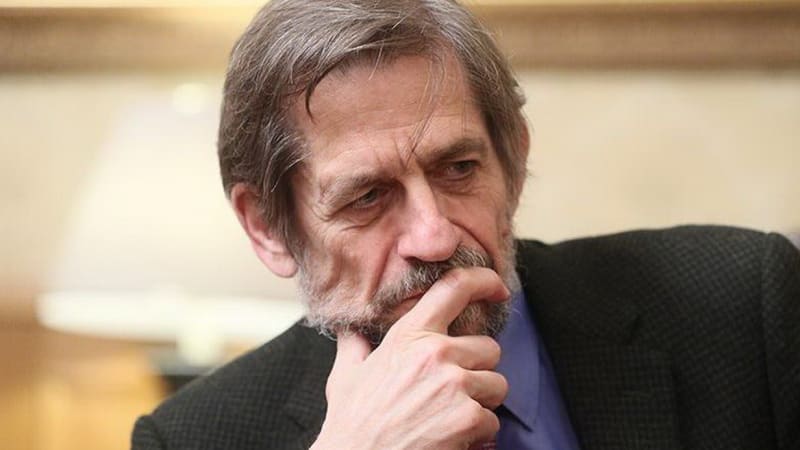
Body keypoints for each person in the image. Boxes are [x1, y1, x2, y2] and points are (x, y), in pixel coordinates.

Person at [131, 1, 800, 449]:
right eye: (367, 197)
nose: (435, 237)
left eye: (458, 168)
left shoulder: (742, 305)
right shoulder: (195, 437)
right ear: (268, 228)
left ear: (514, 162)